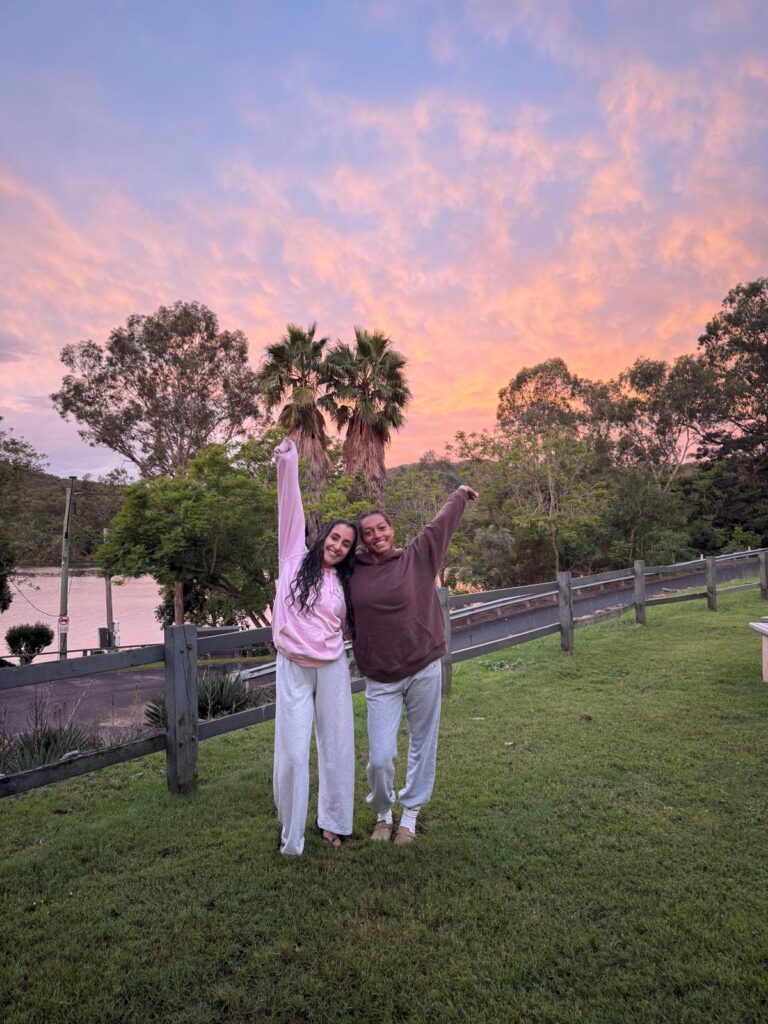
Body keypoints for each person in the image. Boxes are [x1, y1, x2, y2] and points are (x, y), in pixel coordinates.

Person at [350, 484, 478, 845]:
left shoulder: (417, 557)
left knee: (423, 744)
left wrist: (459, 494)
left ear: (392, 529)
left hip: (423, 665)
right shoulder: (353, 572)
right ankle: (382, 812)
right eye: (369, 532)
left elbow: (440, 525)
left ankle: (409, 816)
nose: (378, 536)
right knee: (380, 757)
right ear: (362, 540)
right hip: (380, 676)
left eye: (382, 528)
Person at [272, 437, 357, 856]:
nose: (337, 546)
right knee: (292, 752)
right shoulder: (293, 557)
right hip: (292, 666)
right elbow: (290, 506)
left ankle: (335, 821)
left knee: (337, 745)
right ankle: (291, 835)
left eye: (346, 544)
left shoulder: (344, 581)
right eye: (334, 537)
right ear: (324, 534)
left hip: (333, 667)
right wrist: (288, 461)